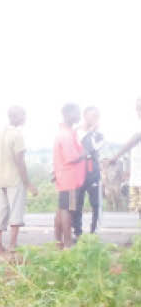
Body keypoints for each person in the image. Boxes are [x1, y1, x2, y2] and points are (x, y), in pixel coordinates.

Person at [0, 106, 37, 252]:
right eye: (23, 115)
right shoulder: (17, 135)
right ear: (16, 117)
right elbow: (20, 161)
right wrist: (28, 183)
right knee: (16, 211)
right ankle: (12, 244)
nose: (25, 118)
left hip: (1, 179)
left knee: (1, 210)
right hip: (14, 179)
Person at [52, 103, 85, 249]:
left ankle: (59, 241)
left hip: (65, 177)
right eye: (76, 113)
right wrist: (84, 154)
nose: (79, 116)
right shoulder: (65, 135)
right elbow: (71, 157)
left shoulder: (66, 132)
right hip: (69, 178)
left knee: (61, 209)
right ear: (67, 115)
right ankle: (67, 243)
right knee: (67, 210)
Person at [106, 97, 141, 219]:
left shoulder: (138, 129)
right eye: (137, 108)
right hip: (136, 178)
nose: (138, 111)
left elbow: (133, 140)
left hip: (138, 180)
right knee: (135, 212)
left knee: (136, 212)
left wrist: (115, 157)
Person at [72, 106, 104, 237]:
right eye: (91, 115)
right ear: (84, 116)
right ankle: (77, 233)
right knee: (76, 204)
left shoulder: (99, 135)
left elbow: (90, 148)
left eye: (96, 116)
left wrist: (91, 131)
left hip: (93, 172)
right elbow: (74, 150)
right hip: (77, 172)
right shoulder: (74, 132)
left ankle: (94, 233)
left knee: (96, 204)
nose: (93, 119)